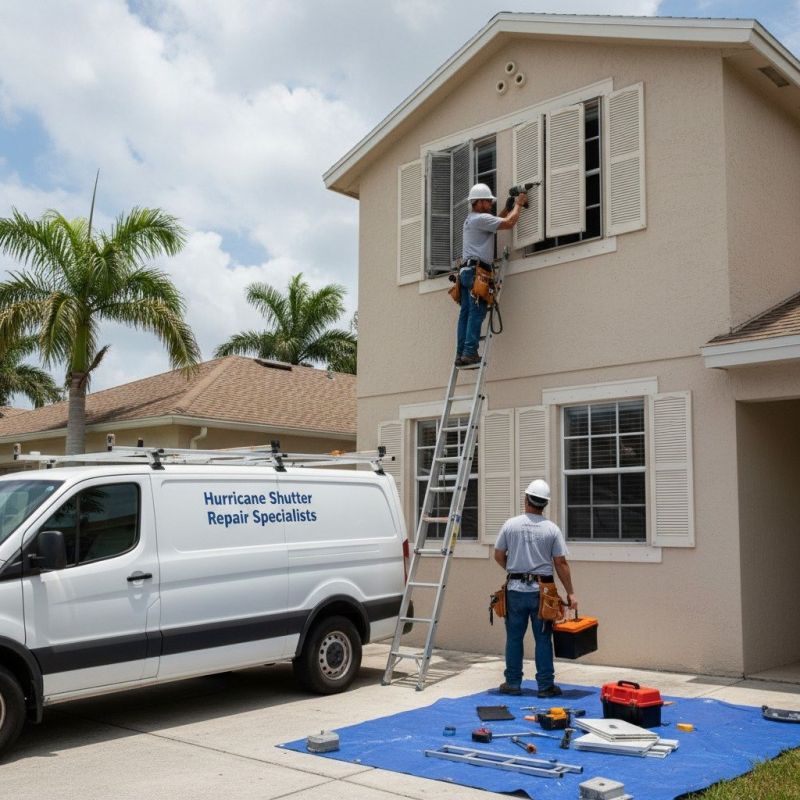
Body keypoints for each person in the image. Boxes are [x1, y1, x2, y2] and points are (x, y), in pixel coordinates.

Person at [493, 479, 577, 697]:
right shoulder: (552, 529)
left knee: (514, 638)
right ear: (545, 504)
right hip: (543, 592)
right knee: (542, 639)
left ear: (526, 499)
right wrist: (570, 593)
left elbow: (499, 555)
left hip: (515, 590)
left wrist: (513, 570)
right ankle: (545, 686)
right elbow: (560, 563)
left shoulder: (510, 525)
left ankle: (512, 683)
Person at [455, 182, 527, 367]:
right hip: (476, 272)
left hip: (466, 271)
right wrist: (518, 204)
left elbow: (496, 222)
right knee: (476, 312)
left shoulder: (473, 219)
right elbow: (509, 223)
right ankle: (470, 353)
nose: (490, 204)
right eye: (487, 201)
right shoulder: (479, 219)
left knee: (466, 314)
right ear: (478, 202)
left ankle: (461, 353)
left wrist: (506, 208)